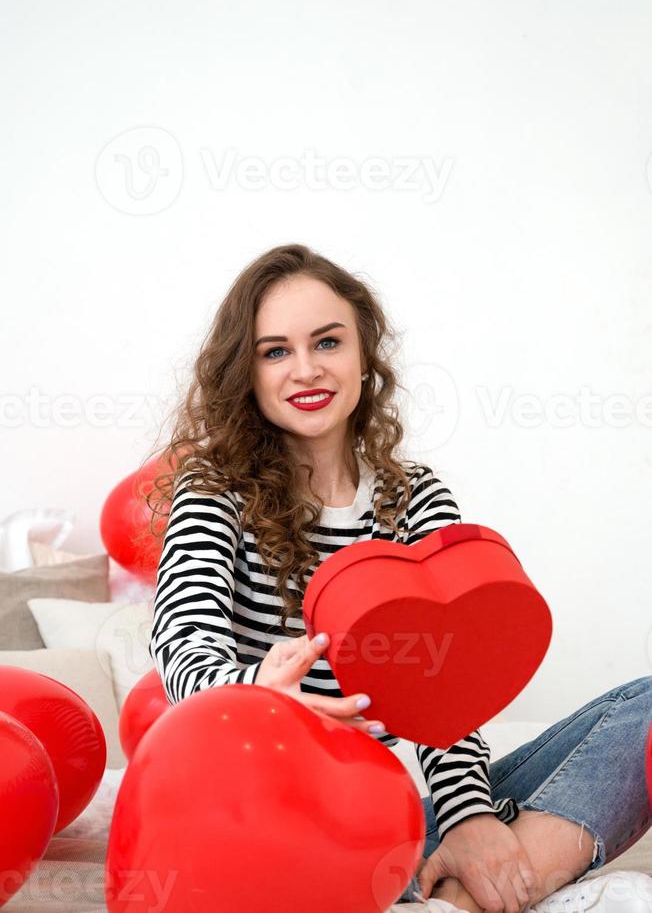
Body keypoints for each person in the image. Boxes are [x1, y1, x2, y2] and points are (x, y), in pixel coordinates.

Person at [146, 243, 652, 913]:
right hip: (261, 818)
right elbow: (181, 638)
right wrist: (257, 691)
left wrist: (469, 818)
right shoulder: (214, 488)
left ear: (364, 354)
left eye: (327, 342)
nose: (306, 369)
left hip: (384, 819)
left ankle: (454, 899)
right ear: (247, 369)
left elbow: (450, 685)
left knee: (645, 708)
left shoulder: (413, 496)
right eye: (275, 351)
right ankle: (473, 893)